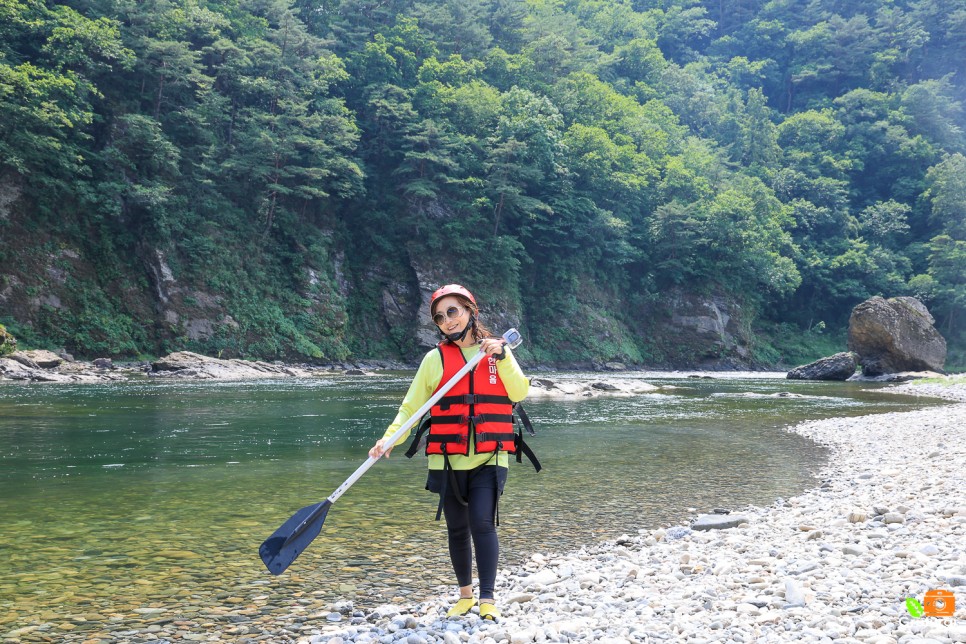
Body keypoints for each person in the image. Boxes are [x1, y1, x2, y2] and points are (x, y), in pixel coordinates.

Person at [369, 284, 531, 623]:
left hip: (490, 455)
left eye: (453, 311)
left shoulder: (497, 352)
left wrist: (501, 358)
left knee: (482, 524)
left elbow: (519, 391)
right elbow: (411, 408)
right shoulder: (434, 360)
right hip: (447, 456)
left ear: (471, 311)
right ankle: (465, 596)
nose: (447, 321)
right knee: (457, 528)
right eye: (440, 317)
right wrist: (388, 440)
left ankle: (487, 598)